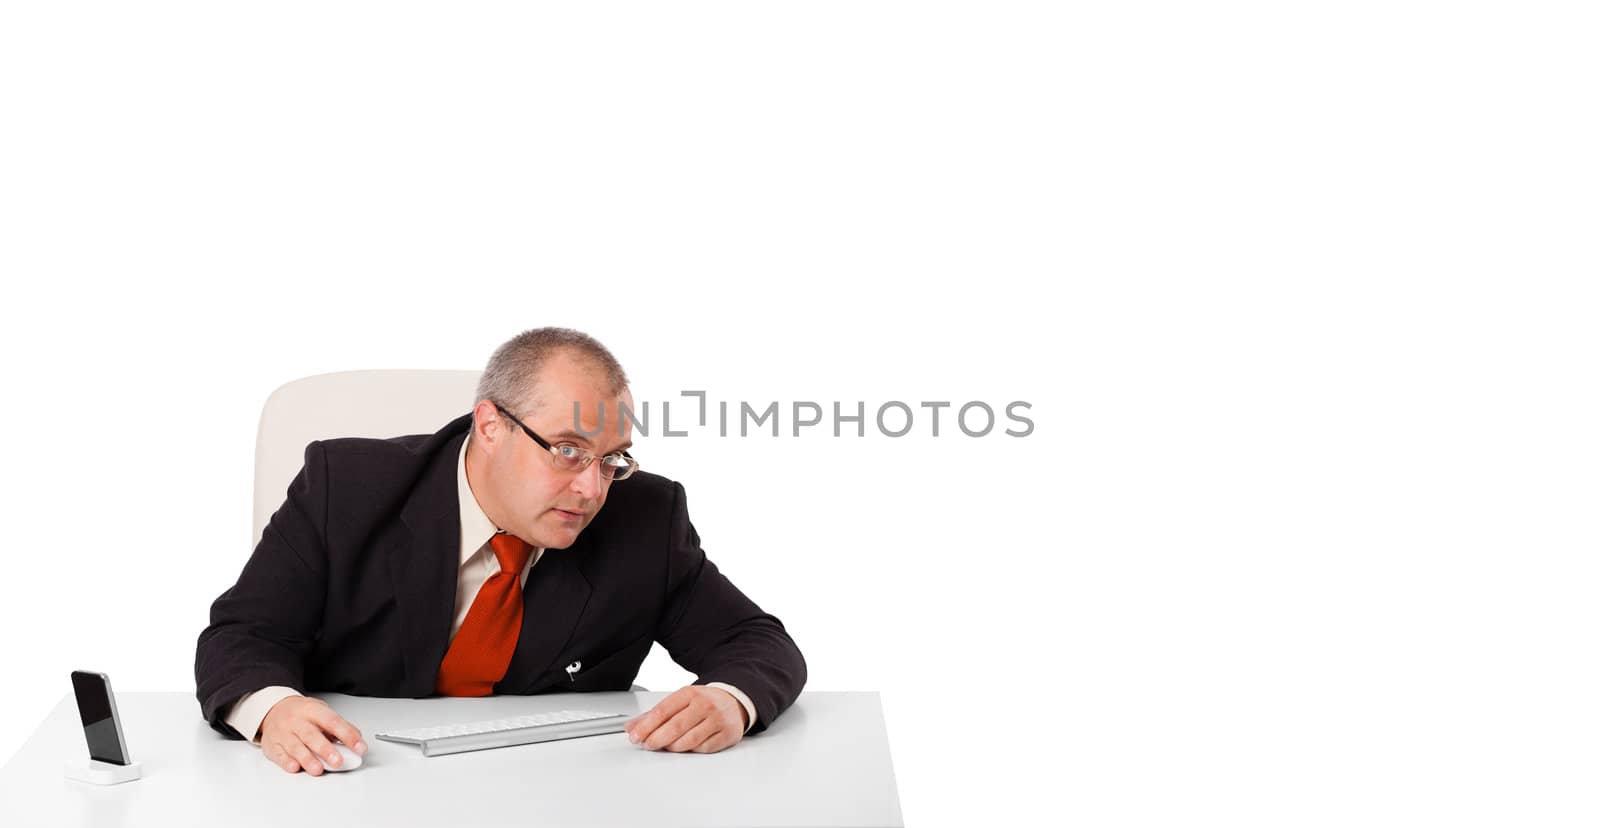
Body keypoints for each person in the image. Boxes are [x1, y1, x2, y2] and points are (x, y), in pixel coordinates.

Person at [195, 328, 806, 775]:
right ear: (490, 426)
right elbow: (243, 636)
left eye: (612, 456)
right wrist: (273, 711)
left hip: (554, 792)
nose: (593, 489)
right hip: (352, 783)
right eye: (567, 449)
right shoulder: (345, 486)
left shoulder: (645, 517)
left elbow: (756, 642)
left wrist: (731, 699)